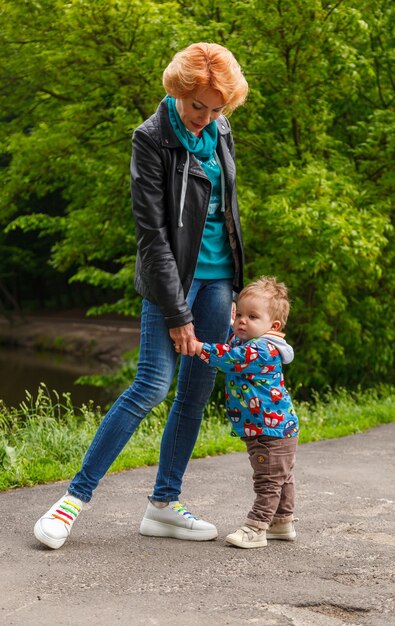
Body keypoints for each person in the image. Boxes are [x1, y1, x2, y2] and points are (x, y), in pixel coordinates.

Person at [34, 42, 248, 549]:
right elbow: (152, 235)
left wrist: (235, 287)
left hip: (218, 281)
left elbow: (228, 213)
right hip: (170, 279)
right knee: (152, 384)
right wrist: (176, 311)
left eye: (219, 108)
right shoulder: (150, 138)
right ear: (178, 91)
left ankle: (163, 505)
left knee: (197, 391)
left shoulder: (221, 129)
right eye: (199, 106)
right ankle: (71, 502)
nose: (208, 117)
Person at [186, 276, 299, 549]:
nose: (242, 321)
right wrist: (228, 318)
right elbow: (232, 341)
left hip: (270, 429)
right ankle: (282, 523)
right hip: (271, 427)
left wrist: (199, 348)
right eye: (240, 315)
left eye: (252, 316)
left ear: (273, 326)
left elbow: (230, 358)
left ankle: (256, 527)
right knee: (280, 478)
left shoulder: (262, 350)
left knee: (268, 481)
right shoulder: (247, 341)